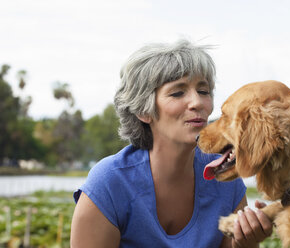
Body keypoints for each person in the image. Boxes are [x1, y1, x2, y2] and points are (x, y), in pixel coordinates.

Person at [70, 39, 273, 248]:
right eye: (177, 93)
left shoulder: (224, 178)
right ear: (144, 110)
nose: (197, 103)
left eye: (203, 91)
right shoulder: (109, 182)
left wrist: (245, 242)